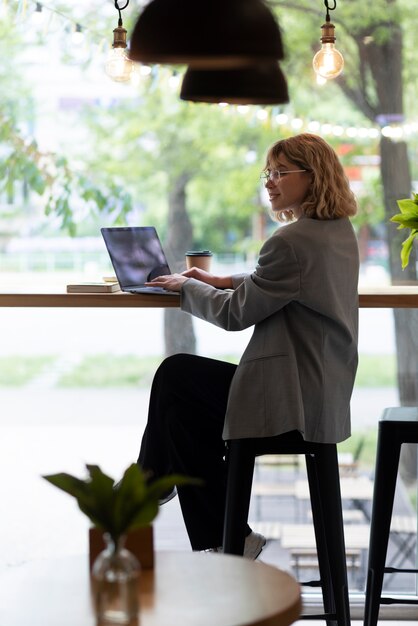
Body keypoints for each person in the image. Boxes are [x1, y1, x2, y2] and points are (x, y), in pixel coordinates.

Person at [137, 133, 359, 559]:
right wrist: (221, 280)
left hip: (290, 399)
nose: (270, 182)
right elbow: (284, 283)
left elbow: (235, 315)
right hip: (322, 393)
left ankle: (154, 484)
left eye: (280, 173)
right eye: (268, 173)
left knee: (176, 375)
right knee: (180, 411)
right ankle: (226, 533)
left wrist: (185, 286)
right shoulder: (336, 232)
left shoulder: (290, 241)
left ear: (313, 177)